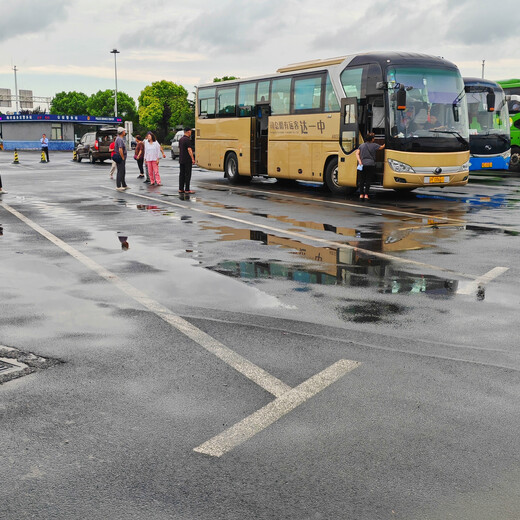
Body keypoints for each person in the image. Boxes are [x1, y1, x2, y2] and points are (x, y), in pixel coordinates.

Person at [355, 133, 385, 200]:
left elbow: (357, 153)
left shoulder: (361, 145)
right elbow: (382, 147)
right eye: (373, 138)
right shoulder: (374, 145)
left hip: (362, 164)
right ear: (372, 139)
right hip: (371, 164)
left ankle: (361, 194)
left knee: (362, 180)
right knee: (368, 180)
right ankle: (366, 195)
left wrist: (359, 161)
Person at [178, 127, 196, 193]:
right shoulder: (187, 140)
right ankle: (187, 189)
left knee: (181, 174)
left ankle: (181, 188)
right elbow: (189, 150)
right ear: (188, 132)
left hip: (181, 159)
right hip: (187, 159)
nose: (191, 133)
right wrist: (192, 158)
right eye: (190, 131)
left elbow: (180, 149)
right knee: (188, 174)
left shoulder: (181, 139)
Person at [114, 127, 128, 192]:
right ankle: (118, 185)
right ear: (122, 132)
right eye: (124, 131)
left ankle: (124, 184)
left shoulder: (119, 138)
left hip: (121, 157)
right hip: (120, 157)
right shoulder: (119, 139)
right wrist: (122, 157)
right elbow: (120, 149)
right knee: (120, 171)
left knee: (123, 171)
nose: (125, 132)